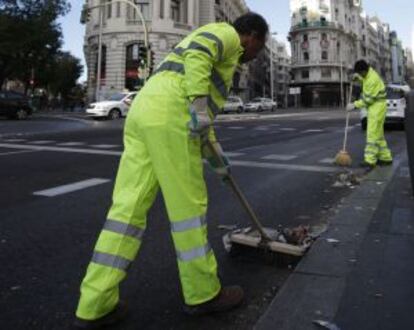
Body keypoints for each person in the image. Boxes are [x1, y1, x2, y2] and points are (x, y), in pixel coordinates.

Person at [74, 12, 268, 328]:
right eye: (257, 50)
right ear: (252, 36)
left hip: (144, 112)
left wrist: (218, 159)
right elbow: (199, 56)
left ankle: (95, 303)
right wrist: (198, 104)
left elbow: (201, 125)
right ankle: (203, 293)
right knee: (187, 211)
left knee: (126, 210)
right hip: (172, 115)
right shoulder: (226, 34)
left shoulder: (219, 54)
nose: (253, 57)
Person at [347, 60, 393, 168]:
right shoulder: (369, 74)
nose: (359, 74)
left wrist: (354, 105)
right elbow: (364, 79)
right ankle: (386, 158)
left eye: (359, 73)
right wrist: (357, 78)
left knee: (372, 134)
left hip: (376, 108)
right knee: (379, 135)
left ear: (363, 71)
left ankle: (370, 160)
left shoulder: (372, 80)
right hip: (377, 107)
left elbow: (368, 100)